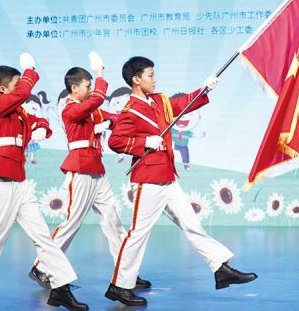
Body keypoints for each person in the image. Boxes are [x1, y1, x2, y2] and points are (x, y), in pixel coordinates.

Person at [105, 56, 257, 306]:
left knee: (192, 224)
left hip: (167, 177)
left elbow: (182, 105)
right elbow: (115, 141)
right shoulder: (130, 111)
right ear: (136, 79)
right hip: (148, 180)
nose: (155, 79)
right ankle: (119, 286)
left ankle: (220, 267)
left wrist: (204, 89)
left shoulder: (159, 100)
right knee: (138, 235)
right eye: (150, 75)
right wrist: (144, 142)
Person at [0, 53, 88, 311]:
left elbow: (39, 120)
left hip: (20, 181)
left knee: (42, 235)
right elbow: (22, 94)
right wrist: (29, 71)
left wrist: (42, 127)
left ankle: (60, 287)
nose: (21, 90)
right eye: (16, 85)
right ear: (4, 89)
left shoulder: (18, 111)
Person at [29, 52, 151, 291]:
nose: (92, 90)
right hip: (80, 169)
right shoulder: (69, 108)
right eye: (88, 86)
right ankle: (41, 266)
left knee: (113, 222)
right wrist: (100, 74)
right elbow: (96, 102)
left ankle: (126, 272)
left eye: (92, 85)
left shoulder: (91, 109)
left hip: (97, 170)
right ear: (74, 88)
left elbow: (114, 117)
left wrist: (112, 122)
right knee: (71, 223)